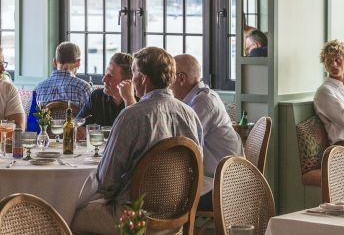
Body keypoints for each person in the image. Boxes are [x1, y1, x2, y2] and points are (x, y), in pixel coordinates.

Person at [71, 46, 203, 235]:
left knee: (68, 215)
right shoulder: (190, 115)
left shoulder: (132, 116)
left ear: (143, 79)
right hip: (176, 218)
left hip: (133, 218)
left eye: (133, 74)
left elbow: (106, 183)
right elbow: (196, 167)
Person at [172, 53, 244, 210]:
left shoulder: (204, 101)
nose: (166, 84)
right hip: (213, 179)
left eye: (168, 76)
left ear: (181, 79)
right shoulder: (192, 100)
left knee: (156, 197)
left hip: (222, 187)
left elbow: (181, 142)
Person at [76, 52, 134, 126]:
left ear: (126, 81)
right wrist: (79, 128)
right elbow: (77, 122)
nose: (103, 80)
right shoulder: (97, 96)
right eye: (105, 73)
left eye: (110, 76)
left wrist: (129, 99)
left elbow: (137, 130)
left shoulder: (139, 101)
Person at [35, 41, 91, 109]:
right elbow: (91, 116)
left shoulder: (39, 88)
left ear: (55, 62)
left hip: (47, 120)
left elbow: (34, 116)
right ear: (78, 63)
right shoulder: (83, 88)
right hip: (73, 120)